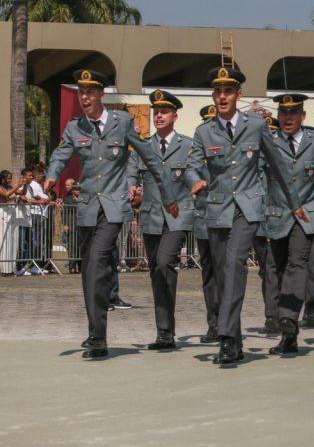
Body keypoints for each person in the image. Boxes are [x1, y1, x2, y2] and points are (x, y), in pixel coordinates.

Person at [44, 69, 178, 360]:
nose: (85, 98)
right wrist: (51, 175)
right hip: (87, 208)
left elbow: (149, 157)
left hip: (115, 207)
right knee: (90, 269)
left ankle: (97, 337)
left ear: (101, 94)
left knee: (97, 259)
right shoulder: (75, 127)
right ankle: (96, 329)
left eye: (90, 92)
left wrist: (168, 194)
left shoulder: (122, 122)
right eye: (81, 92)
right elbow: (61, 154)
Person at [186, 66, 303, 365]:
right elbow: (190, 165)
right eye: (217, 92)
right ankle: (235, 342)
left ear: (239, 95)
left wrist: (294, 202)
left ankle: (225, 338)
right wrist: (195, 180)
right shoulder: (203, 131)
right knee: (224, 277)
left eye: (228, 91)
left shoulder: (255, 126)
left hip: (248, 208)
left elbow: (277, 165)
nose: (222, 96)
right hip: (217, 209)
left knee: (234, 262)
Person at [127, 90, 195, 350]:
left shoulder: (187, 146)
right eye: (156, 112)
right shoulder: (144, 147)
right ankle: (164, 332)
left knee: (166, 263)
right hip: (152, 217)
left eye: (164, 112)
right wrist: (130, 186)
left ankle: (167, 329)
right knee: (156, 271)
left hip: (177, 217)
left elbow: (195, 173)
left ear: (175, 116)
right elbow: (131, 173)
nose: (159, 116)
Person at [260, 93, 314, 356]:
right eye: (283, 113)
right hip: (276, 214)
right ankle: (288, 335)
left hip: (306, 215)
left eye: (293, 113)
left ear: (303, 116)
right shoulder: (269, 142)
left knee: (297, 264)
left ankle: (288, 318)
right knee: (276, 269)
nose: (287, 118)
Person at [193, 104, 219, 343]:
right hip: (203, 218)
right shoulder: (197, 149)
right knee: (209, 274)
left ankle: (228, 322)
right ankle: (214, 324)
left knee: (227, 272)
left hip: (226, 216)